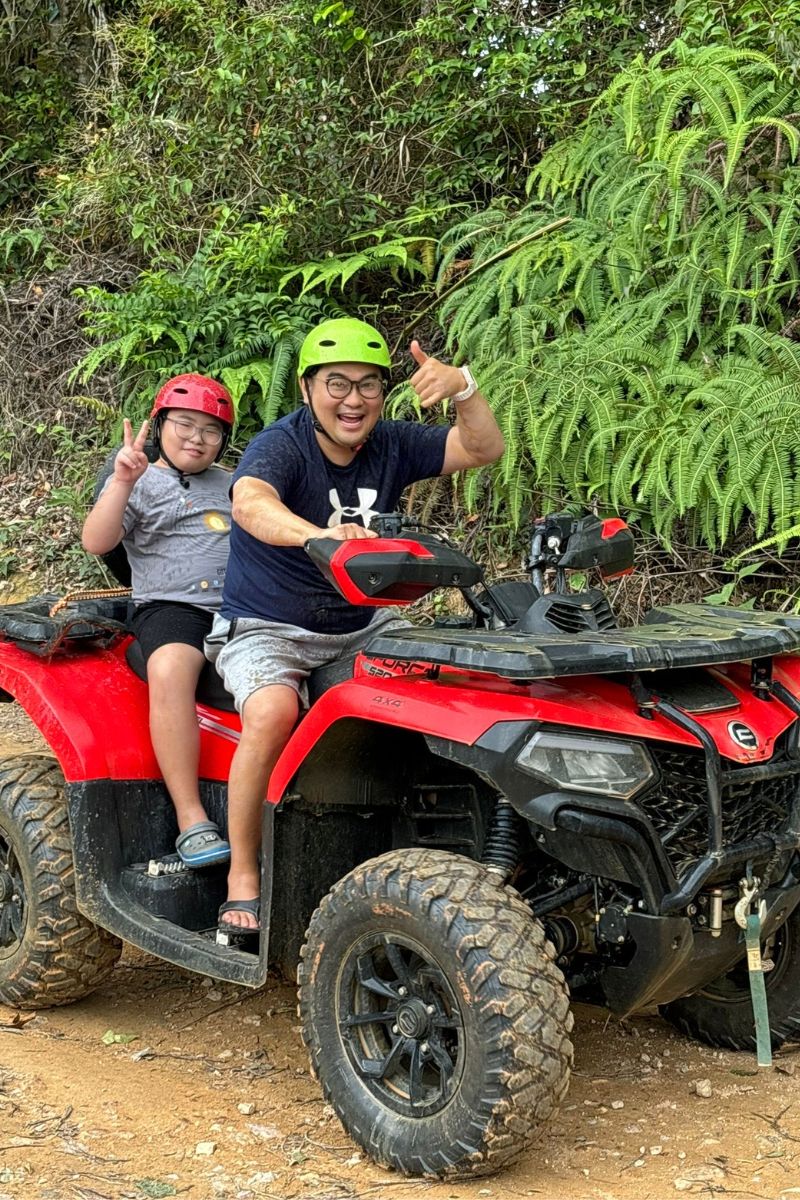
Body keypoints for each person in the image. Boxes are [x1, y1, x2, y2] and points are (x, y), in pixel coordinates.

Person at [205, 317, 505, 932]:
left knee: (446, 681)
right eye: (336, 383)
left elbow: (482, 449)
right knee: (271, 712)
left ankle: (443, 850)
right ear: (308, 388)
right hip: (267, 626)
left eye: (369, 385)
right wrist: (319, 537)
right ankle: (242, 873)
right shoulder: (282, 445)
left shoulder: (391, 443)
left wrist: (464, 388)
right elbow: (250, 502)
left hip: (362, 627)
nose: (354, 399)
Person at [82, 373, 235, 868]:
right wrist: (123, 479)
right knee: (170, 668)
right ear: (160, 424)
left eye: (211, 430)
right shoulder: (139, 479)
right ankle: (191, 817)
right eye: (185, 424)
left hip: (240, 607)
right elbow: (97, 541)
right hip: (171, 607)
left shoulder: (234, 484)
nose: (197, 437)